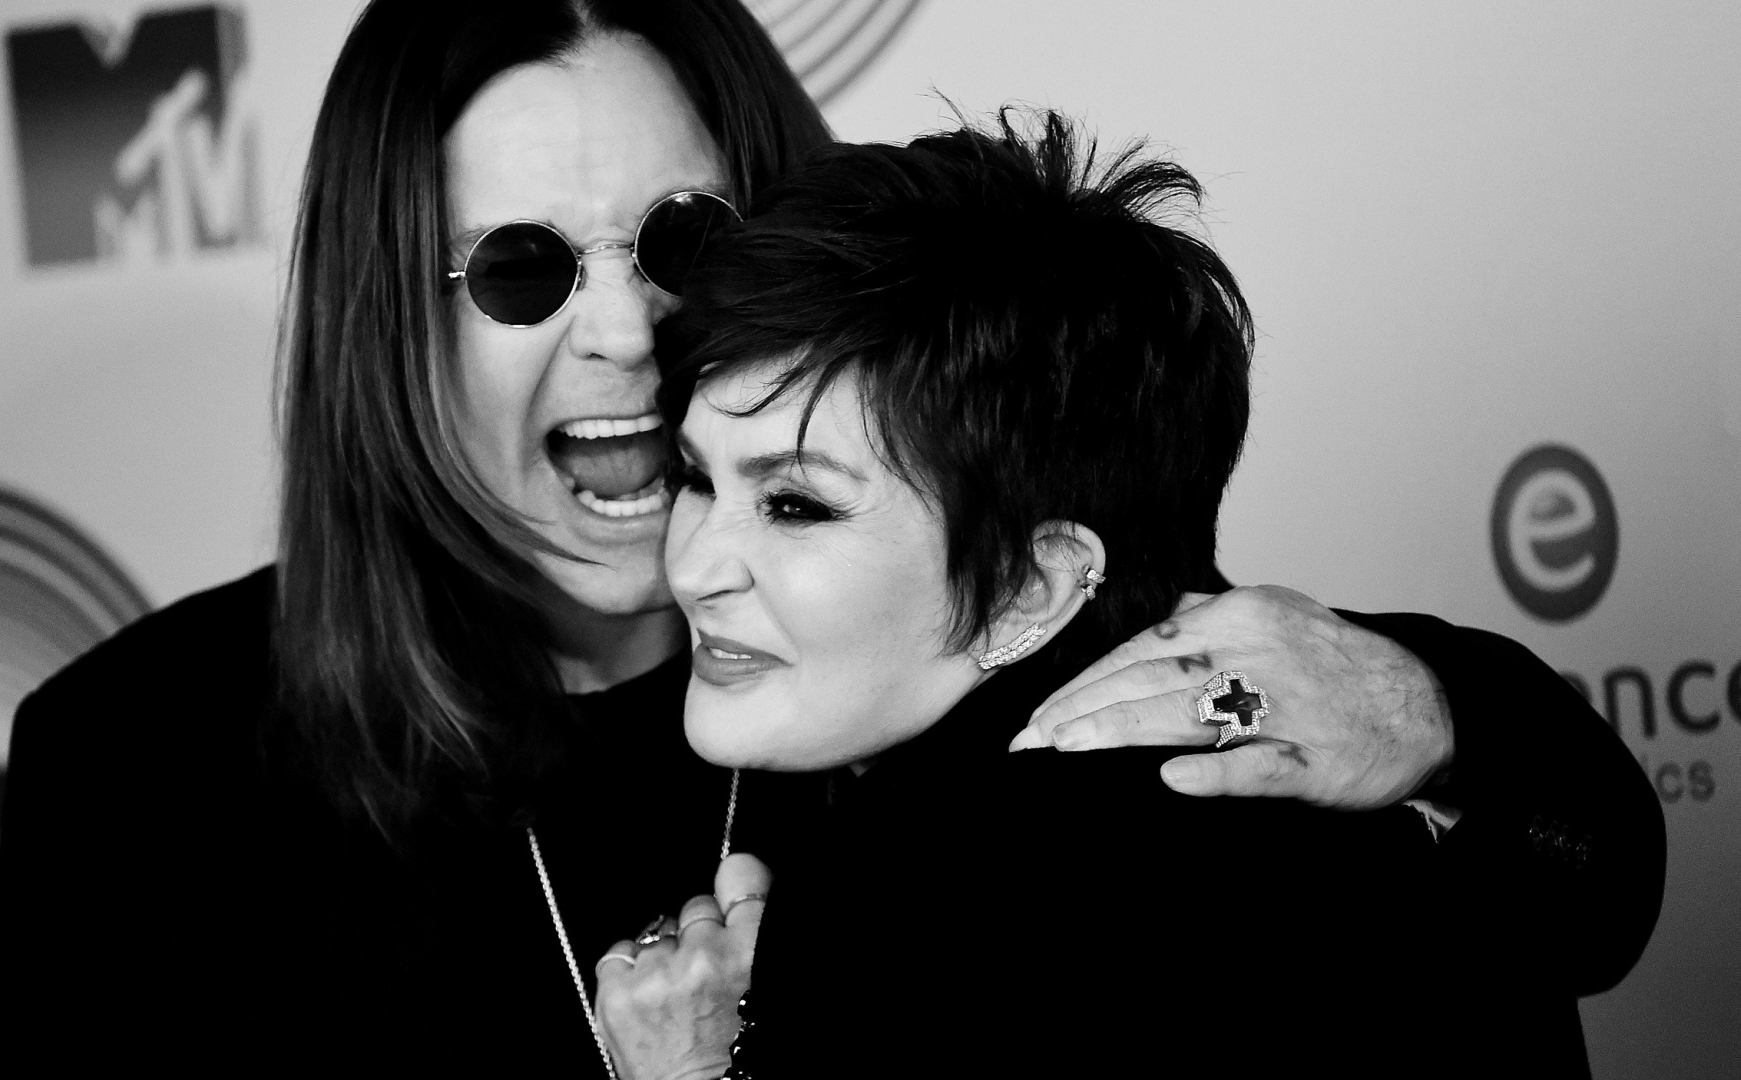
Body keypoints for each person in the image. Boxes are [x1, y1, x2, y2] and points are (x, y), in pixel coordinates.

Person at [0, 3, 1660, 1076]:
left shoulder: (983, 659)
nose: (628, 333)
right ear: (385, 320)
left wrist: (1438, 712)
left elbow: (1555, 894)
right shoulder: (136, 761)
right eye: (518, 269)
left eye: (682, 239)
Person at [593, 112, 1664, 1079]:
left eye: (795, 505)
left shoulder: (910, 908)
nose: (691, 566)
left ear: (1035, 586)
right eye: (696, 478)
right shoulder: (1351, 784)